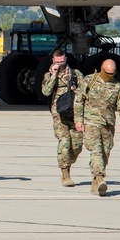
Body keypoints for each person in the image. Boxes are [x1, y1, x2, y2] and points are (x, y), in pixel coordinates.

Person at [74, 58, 120, 196]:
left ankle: (95, 183)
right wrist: (78, 120)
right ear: (101, 69)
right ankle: (99, 177)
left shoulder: (117, 86)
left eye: (112, 73)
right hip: (91, 122)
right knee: (96, 150)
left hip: (108, 124)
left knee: (105, 152)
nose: (110, 76)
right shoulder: (89, 81)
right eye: (107, 73)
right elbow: (79, 101)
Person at [40, 49, 85, 187]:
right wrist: (54, 75)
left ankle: (68, 161)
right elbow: (46, 92)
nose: (60, 64)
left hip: (74, 112)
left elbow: (84, 93)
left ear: (66, 59)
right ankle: (65, 173)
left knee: (76, 145)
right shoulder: (49, 75)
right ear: (53, 61)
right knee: (64, 141)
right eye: (57, 62)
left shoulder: (76, 74)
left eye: (62, 61)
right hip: (58, 114)